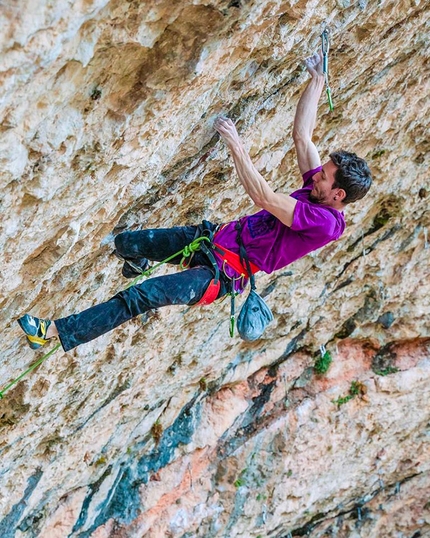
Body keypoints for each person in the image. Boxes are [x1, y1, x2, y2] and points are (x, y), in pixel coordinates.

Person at [18, 51, 372, 352]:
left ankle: (52, 332)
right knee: (126, 243)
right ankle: (137, 259)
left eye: (324, 176)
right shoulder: (321, 193)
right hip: (210, 238)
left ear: (337, 195)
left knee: (140, 297)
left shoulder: (323, 222)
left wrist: (236, 145)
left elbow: (263, 196)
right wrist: (317, 81)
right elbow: (302, 136)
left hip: (220, 274)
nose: (317, 176)